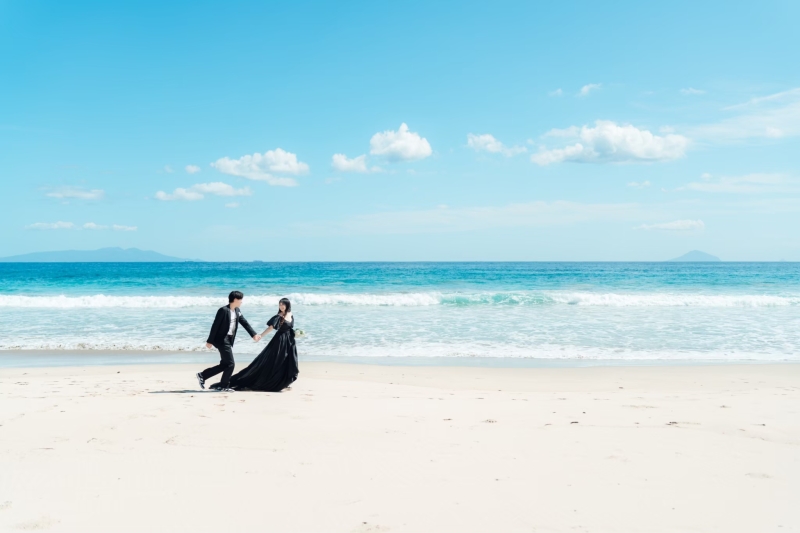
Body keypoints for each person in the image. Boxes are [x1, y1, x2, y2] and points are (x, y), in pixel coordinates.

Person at [210, 297, 298, 392]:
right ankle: (274, 382)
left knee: (289, 361)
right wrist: (260, 335)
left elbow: (289, 327)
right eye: (280, 304)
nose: (281, 306)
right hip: (280, 341)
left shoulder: (290, 314)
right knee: (276, 362)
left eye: (283, 304)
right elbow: (270, 328)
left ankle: (284, 382)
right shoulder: (279, 316)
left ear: (287, 305)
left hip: (290, 340)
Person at [196, 291, 261, 392]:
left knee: (225, 364)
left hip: (229, 339)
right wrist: (210, 341)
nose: (241, 302)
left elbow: (244, 322)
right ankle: (223, 386)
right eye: (240, 300)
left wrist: (254, 334)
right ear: (235, 299)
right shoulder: (223, 310)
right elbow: (215, 326)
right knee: (231, 364)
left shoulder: (237, 310)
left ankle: (203, 375)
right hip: (221, 339)